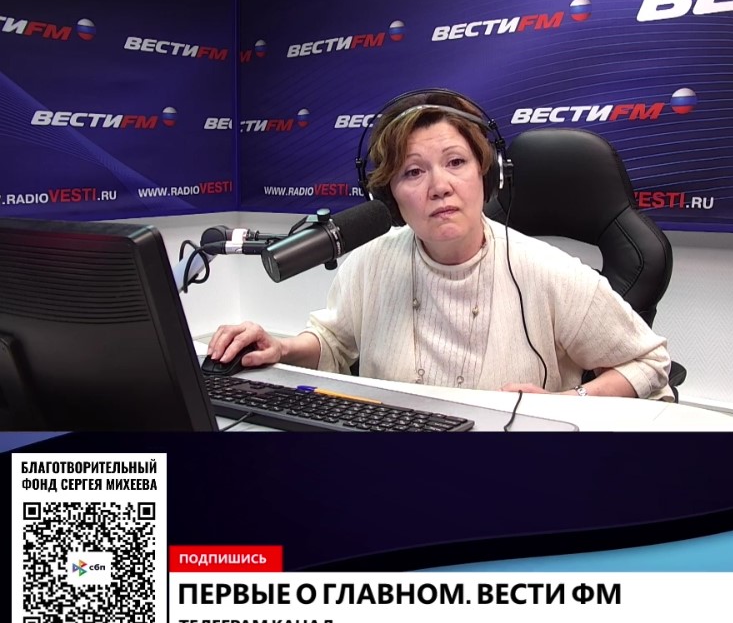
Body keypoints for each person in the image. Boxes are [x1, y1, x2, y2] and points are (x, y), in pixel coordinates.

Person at [206, 90, 673, 401]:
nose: (439, 186)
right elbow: (334, 342)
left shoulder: (549, 271)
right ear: (389, 196)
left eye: (456, 162)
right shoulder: (371, 261)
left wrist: (571, 400)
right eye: (413, 172)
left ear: (487, 175)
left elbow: (650, 362)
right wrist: (281, 347)